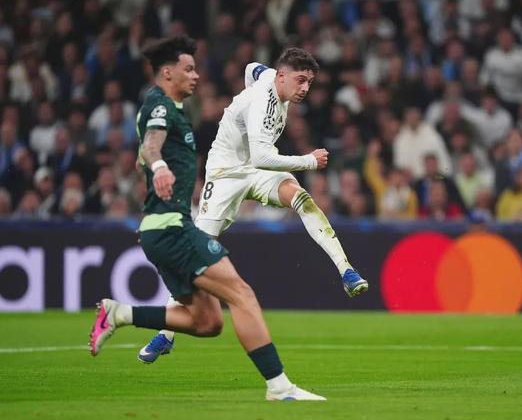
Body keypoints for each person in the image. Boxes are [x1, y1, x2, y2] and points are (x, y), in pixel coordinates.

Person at [88, 36, 325, 401]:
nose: (196, 76)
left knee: (208, 322)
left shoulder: (172, 109)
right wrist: (158, 165)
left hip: (163, 229)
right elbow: (151, 147)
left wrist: (151, 169)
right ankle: (280, 387)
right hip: (174, 230)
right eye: (188, 69)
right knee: (242, 295)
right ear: (167, 72)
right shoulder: (161, 107)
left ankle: (118, 313)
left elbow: (144, 154)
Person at [140, 48, 369, 364]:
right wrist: (309, 161)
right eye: (300, 80)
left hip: (257, 172)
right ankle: (166, 334)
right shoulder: (263, 101)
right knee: (196, 253)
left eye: (309, 82)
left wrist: (249, 91)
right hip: (225, 174)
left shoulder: (269, 78)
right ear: (282, 76)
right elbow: (262, 156)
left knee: (301, 199)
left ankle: (347, 271)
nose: (305, 88)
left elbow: (251, 67)